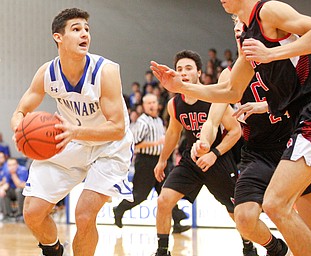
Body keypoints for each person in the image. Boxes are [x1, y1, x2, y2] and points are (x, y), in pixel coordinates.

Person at [150, 1, 311, 255]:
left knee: (276, 205)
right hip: (277, 138)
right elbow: (229, 92)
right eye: (237, 31)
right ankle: (276, 248)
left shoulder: (268, 11)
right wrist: (182, 88)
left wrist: (271, 54)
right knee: (299, 224)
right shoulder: (246, 52)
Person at [10, 8, 134, 256]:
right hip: (70, 140)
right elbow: (20, 112)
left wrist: (75, 132)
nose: (84, 34)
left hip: (108, 147)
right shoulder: (47, 73)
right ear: (58, 37)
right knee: (32, 213)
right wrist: (20, 130)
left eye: (86, 29)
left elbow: (117, 128)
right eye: (76, 29)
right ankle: (54, 250)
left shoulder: (105, 71)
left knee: (84, 215)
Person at [154, 50, 257, 256]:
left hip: (217, 159)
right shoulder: (174, 104)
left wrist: (214, 153)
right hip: (191, 160)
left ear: (199, 72)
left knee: (234, 210)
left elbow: (236, 131)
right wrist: (162, 160)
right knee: (163, 201)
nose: (184, 73)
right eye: (180, 69)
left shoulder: (214, 97)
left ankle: (248, 246)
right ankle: (162, 251)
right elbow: (174, 132)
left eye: (189, 68)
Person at [113, 93, 189, 234]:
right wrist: (155, 143)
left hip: (160, 162)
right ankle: (119, 209)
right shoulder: (143, 122)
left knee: (167, 192)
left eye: (154, 102)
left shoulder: (159, 120)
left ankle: (177, 222)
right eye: (149, 103)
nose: (152, 105)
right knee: (140, 194)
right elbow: (134, 144)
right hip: (146, 162)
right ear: (144, 106)